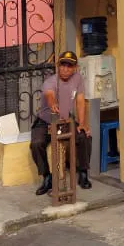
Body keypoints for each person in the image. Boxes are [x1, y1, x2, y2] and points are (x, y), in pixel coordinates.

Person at [31, 50, 92, 195]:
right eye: (63, 65)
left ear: (75, 68)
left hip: (65, 120)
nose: (65, 69)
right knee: (36, 144)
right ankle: (47, 177)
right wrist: (53, 103)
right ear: (58, 66)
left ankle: (83, 173)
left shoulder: (77, 79)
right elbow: (49, 95)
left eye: (69, 66)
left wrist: (82, 123)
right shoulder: (51, 81)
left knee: (84, 136)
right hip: (45, 121)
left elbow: (80, 101)